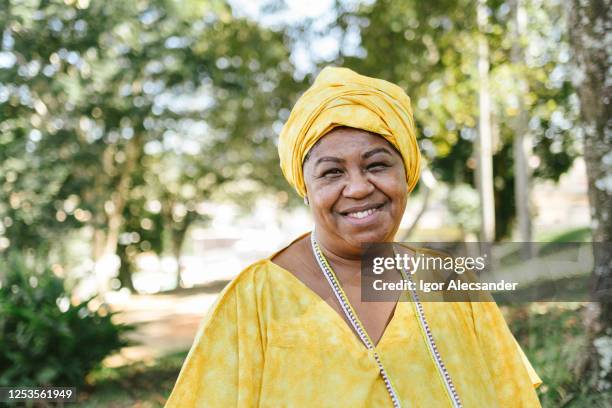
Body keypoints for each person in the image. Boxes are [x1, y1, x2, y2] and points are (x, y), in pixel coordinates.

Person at [165, 67, 542, 407]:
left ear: (405, 173)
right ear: (306, 189)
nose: (359, 188)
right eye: (331, 172)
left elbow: (513, 397)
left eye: (376, 164)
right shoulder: (253, 302)